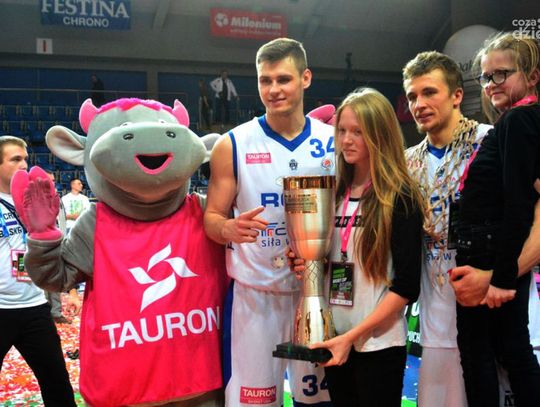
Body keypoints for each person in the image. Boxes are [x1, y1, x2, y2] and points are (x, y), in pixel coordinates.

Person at [204, 38, 333, 406]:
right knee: (255, 401)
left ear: (305, 78)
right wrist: (226, 228)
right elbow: (211, 217)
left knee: (319, 401)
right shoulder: (233, 144)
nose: (273, 90)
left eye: (283, 79)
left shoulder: (333, 142)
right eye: (265, 80)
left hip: (316, 293)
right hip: (255, 296)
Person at [291, 88, 424, 406]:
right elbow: (331, 261)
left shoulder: (400, 197)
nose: (346, 140)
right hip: (336, 337)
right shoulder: (333, 192)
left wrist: (351, 338)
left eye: (358, 132)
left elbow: (406, 287)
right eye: (342, 131)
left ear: (379, 135)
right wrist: (307, 264)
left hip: (378, 344)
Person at [450, 32, 540, 406]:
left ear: (532, 76)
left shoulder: (519, 119)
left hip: (489, 251)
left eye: (502, 74)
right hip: (491, 248)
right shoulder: (518, 121)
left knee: (485, 353)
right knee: (507, 347)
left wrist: (502, 278)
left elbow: (520, 202)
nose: (491, 84)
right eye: (486, 77)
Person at [402, 50, 493, 407]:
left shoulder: (489, 141)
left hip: (485, 298)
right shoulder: (407, 160)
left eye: (429, 92)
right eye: (412, 96)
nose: (419, 104)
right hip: (432, 305)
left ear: (457, 95)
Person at [0, 135, 76, 406]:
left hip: (34, 306)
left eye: (25, 159)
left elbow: (60, 246)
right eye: (15, 159)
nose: (24, 165)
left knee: (57, 383)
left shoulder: (39, 200)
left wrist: (70, 290)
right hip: (0, 308)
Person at [43, 168, 81, 324]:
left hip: (56, 242)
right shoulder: (29, 200)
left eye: (53, 181)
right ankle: (43, 313)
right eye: (49, 181)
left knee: (53, 278)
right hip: (36, 246)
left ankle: (55, 312)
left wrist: (63, 239)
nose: (53, 184)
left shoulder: (56, 199)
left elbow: (62, 221)